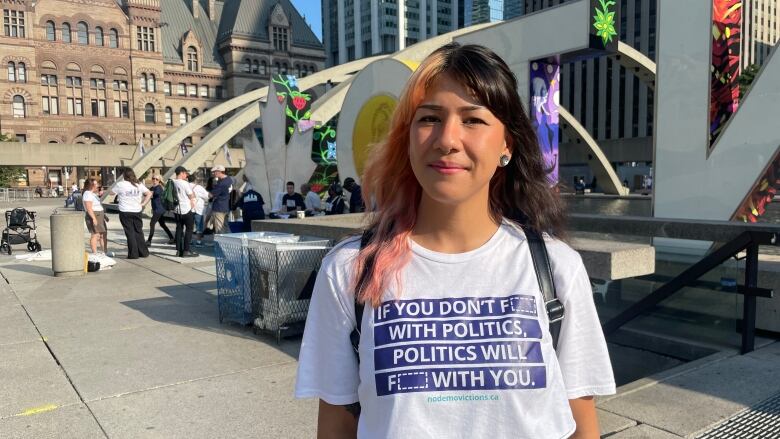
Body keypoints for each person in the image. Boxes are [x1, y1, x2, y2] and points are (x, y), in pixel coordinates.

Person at [294, 43, 615, 438]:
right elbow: (337, 425)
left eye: (473, 120)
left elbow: (582, 424)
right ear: (408, 138)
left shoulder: (555, 266)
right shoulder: (350, 269)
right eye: (429, 118)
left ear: (506, 145)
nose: (447, 139)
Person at [110, 169, 152, 259]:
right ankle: (144, 252)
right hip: (137, 210)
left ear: (124, 176)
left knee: (130, 232)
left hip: (125, 211)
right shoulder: (139, 184)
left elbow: (111, 193)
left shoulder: (121, 184)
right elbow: (149, 193)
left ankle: (133, 254)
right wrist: (143, 204)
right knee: (138, 231)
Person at [172, 166, 198, 258]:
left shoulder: (171, 182)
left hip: (176, 210)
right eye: (185, 173)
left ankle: (178, 251)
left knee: (179, 229)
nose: (186, 175)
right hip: (186, 209)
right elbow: (191, 196)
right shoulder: (184, 183)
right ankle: (186, 251)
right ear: (182, 173)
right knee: (189, 230)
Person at [82, 178, 108, 255]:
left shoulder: (92, 194)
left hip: (99, 215)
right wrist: (93, 218)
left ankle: (104, 252)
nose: (97, 185)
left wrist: (104, 216)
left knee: (103, 234)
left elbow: (98, 205)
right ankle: (95, 253)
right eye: (96, 184)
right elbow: (89, 208)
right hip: (94, 215)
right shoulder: (87, 194)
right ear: (91, 185)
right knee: (95, 235)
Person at [146, 175, 174, 245]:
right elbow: (146, 194)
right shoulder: (152, 187)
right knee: (162, 224)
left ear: (159, 181)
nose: (154, 180)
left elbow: (150, 194)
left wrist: (147, 193)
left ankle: (149, 241)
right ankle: (172, 238)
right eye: (153, 178)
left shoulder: (159, 188)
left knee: (152, 223)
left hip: (159, 209)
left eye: (156, 179)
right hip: (157, 209)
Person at [209, 165, 233, 234]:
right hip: (225, 206)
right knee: (225, 227)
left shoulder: (222, 183)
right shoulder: (229, 180)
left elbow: (211, 195)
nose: (213, 173)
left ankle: (221, 244)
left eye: (214, 172)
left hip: (219, 207)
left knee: (220, 229)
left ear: (219, 172)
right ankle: (232, 242)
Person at [189, 174, 210, 246]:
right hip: (198, 209)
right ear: (195, 180)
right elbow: (207, 196)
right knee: (199, 226)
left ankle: (189, 240)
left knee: (189, 226)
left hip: (189, 209)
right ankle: (198, 241)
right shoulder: (199, 187)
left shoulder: (186, 186)